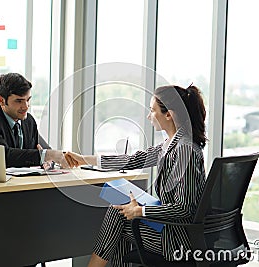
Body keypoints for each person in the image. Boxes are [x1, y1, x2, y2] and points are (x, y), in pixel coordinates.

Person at [65, 84, 207, 266]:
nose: (149, 116)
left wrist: (140, 211)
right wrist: (84, 159)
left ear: (169, 114)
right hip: (173, 231)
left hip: (179, 240)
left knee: (118, 216)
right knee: (120, 219)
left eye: (152, 110)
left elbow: (184, 208)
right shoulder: (171, 145)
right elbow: (133, 160)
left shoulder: (184, 151)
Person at [0, 72, 67, 168]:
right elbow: (2, 156)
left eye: (28, 100)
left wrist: (49, 161)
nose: (26, 107)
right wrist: (45, 156)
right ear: (1, 100)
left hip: (24, 181)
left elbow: (45, 152)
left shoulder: (28, 121)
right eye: (19, 101)